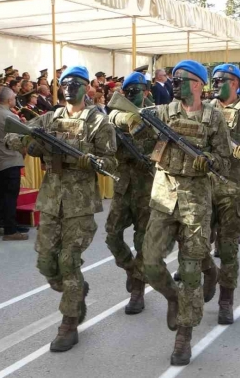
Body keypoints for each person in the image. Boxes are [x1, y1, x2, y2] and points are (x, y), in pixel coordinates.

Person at [4, 65, 117, 353]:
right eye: (65, 83)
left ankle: (68, 323)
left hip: (80, 204)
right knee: (46, 262)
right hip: (52, 201)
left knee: (68, 262)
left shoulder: (98, 122)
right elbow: (12, 137)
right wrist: (35, 143)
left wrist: (90, 160)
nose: (69, 88)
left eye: (76, 83)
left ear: (86, 88)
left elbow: (112, 162)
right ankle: (75, 291)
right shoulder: (50, 118)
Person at [137, 60, 231, 365]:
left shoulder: (214, 118)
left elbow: (225, 161)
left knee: (190, 270)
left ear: (197, 85)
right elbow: (123, 118)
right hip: (163, 199)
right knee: (150, 262)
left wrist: (210, 161)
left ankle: (184, 336)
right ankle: (173, 298)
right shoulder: (163, 112)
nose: (174, 84)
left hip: (196, 202)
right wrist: (126, 119)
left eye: (181, 80)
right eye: (173, 80)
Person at [206, 64, 240, 316]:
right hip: (205, 187)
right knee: (194, 243)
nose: (216, 83)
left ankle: (226, 299)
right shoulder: (206, 109)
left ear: (236, 84)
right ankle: (208, 275)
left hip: (233, 189)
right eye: (214, 80)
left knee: (228, 247)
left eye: (222, 80)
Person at [105, 72, 156, 315]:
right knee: (112, 235)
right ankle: (131, 269)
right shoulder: (115, 114)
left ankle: (138, 290)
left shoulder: (156, 114)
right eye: (128, 90)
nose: (132, 94)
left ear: (146, 92)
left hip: (147, 187)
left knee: (141, 240)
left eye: (137, 89)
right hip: (123, 185)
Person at [0, 87, 29, 241]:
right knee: (10, 196)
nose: (15, 101)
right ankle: (10, 229)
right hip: (9, 160)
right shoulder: (10, 117)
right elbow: (19, 140)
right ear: (9, 100)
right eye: (14, 98)